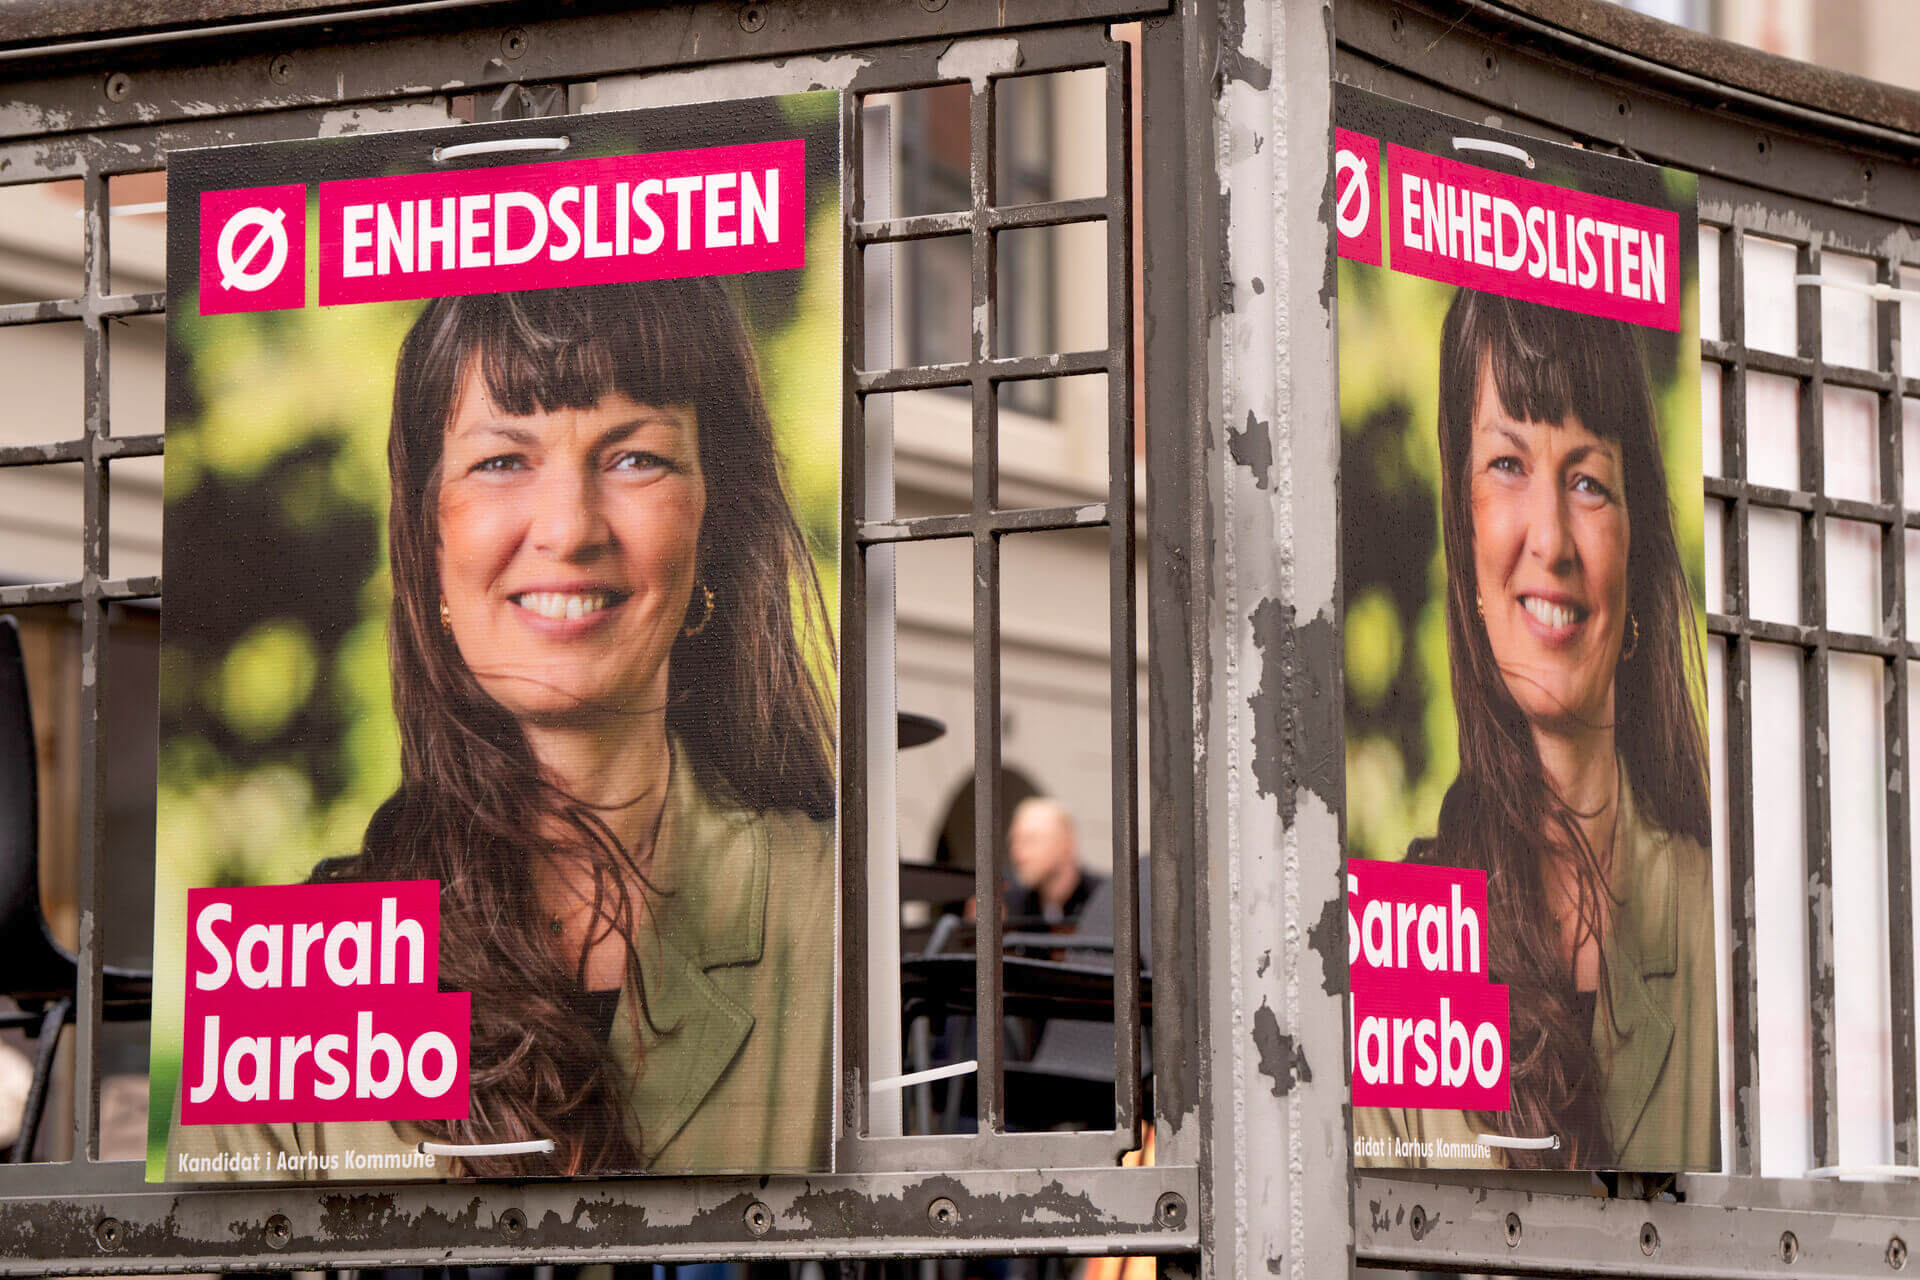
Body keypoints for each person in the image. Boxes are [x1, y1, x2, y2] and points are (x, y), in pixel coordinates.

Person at [171, 278, 837, 1179]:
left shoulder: (846, 919)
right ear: (427, 541)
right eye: (501, 461)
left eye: (634, 457)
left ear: (714, 517)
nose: (568, 530)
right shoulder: (298, 980)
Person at [1353, 288, 1715, 1171]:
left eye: (1589, 480)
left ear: (1640, 549)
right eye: (1507, 466)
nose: (1550, 538)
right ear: (1462, 526)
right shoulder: (1404, 945)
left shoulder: (1723, 923)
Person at [1005, 797, 1100, 927]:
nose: (1018, 853)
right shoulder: (1014, 907)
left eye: (1030, 840)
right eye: (1014, 842)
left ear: (1067, 845)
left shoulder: (1102, 899)